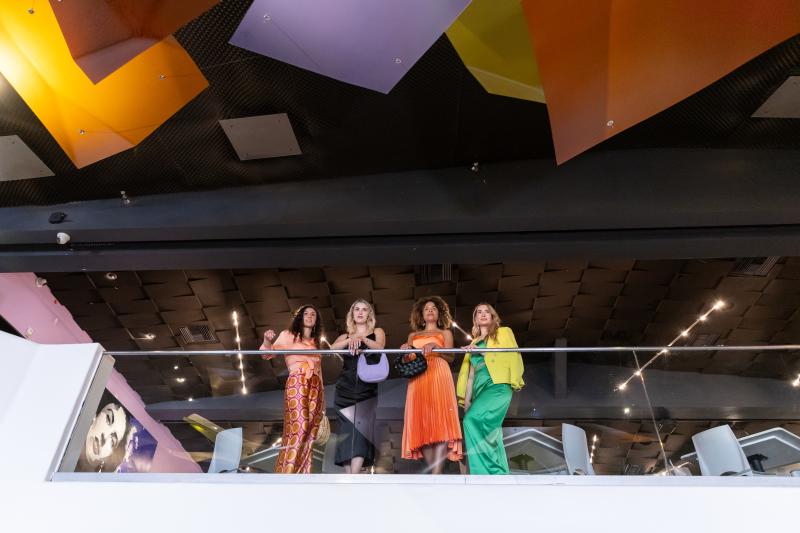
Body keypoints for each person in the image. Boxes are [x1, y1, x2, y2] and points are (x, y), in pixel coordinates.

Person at [457, 303, 525, 475]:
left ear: (493, 316)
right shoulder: (474, 342)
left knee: (471, 421)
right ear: (475, 319)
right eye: (479, 312)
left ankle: (485, 471)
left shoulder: (504, 332)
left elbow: (510, 357)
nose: (483, 314)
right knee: (491, 430)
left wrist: (481, 352)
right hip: (480, 389)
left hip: (499, 385)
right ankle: (500, 471)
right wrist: (467, 400)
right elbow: (471, 375)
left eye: (487, 311)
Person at [400, 296, 463, 474]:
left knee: (440, 421)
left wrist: (437, 347)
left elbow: (451, 358)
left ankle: (436, 473)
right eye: (426, 308)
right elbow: (409, 361)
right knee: (423, 424)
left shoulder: (446, 333)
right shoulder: (413, 335)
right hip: (418, 378)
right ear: (421, 314)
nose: (430, 310)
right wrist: (405, 352)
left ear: (439, 313)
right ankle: (433, 472)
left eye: (434, 308)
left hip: (439, 375)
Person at [261, 304, 325, 474]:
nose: (310, 316)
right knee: (300, 425)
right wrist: (267, 341)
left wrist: (323, 401)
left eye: (313, 314)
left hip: (315, 386)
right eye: (306, 314)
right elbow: (267, 355)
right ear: (300, 317)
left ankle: (303, 473)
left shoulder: (316, 342)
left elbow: (319, 371)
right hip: (297, 381)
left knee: (310, 432)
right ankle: (286, 472)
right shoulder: (288, 335)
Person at [329, 299, 385, 473]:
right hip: (344, 386)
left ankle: (355, 476)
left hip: (366, 387)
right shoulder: (345, 335)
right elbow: (332, 349)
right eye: (357, 310)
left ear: (369, 314)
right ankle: (350, 477)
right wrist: (350, 339)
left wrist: (362, 339)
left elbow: (380, 347)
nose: (360, 312)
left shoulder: (377, 331)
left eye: (364, 310)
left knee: (362, 429)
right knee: (346, 431)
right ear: (352, 314)